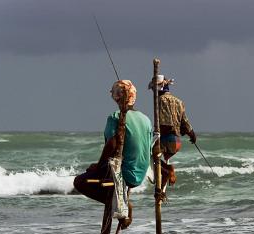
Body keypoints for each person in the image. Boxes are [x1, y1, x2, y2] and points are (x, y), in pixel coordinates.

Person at [73, 80, 152, 222]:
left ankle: (121, 204)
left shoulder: (115, 117)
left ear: (117, 97)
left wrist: (98, 166)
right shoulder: (146, 119)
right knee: (96, 171)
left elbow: (112, 144)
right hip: (140, 174)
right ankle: (120, 201)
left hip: (124, 173)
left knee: (79, 181)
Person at [153, 75, 196, 188]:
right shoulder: (179, 102)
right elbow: (185, 123)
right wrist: (192, 134)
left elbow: (164, 124)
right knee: (160, 166)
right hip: (176, 142)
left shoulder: (160, 100)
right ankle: (161, 189)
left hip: (166, 140)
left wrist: (153, 137)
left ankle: (169, 170)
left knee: (148, 154)